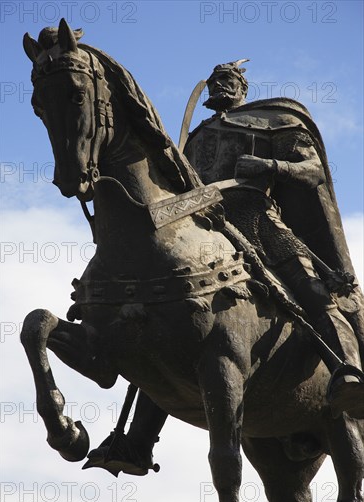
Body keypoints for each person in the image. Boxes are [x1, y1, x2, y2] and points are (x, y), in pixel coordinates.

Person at [84, 60, 364, 476]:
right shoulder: (195, 139)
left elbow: (313, 171)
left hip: (259, 220)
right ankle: (138, 441)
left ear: (243, 88)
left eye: (228, 81)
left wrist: (269, 167)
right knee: (165, 312)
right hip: (205, 228)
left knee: (311, 291)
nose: (220, 86)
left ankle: (349, 372)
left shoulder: (274, 122)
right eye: (215, 81)